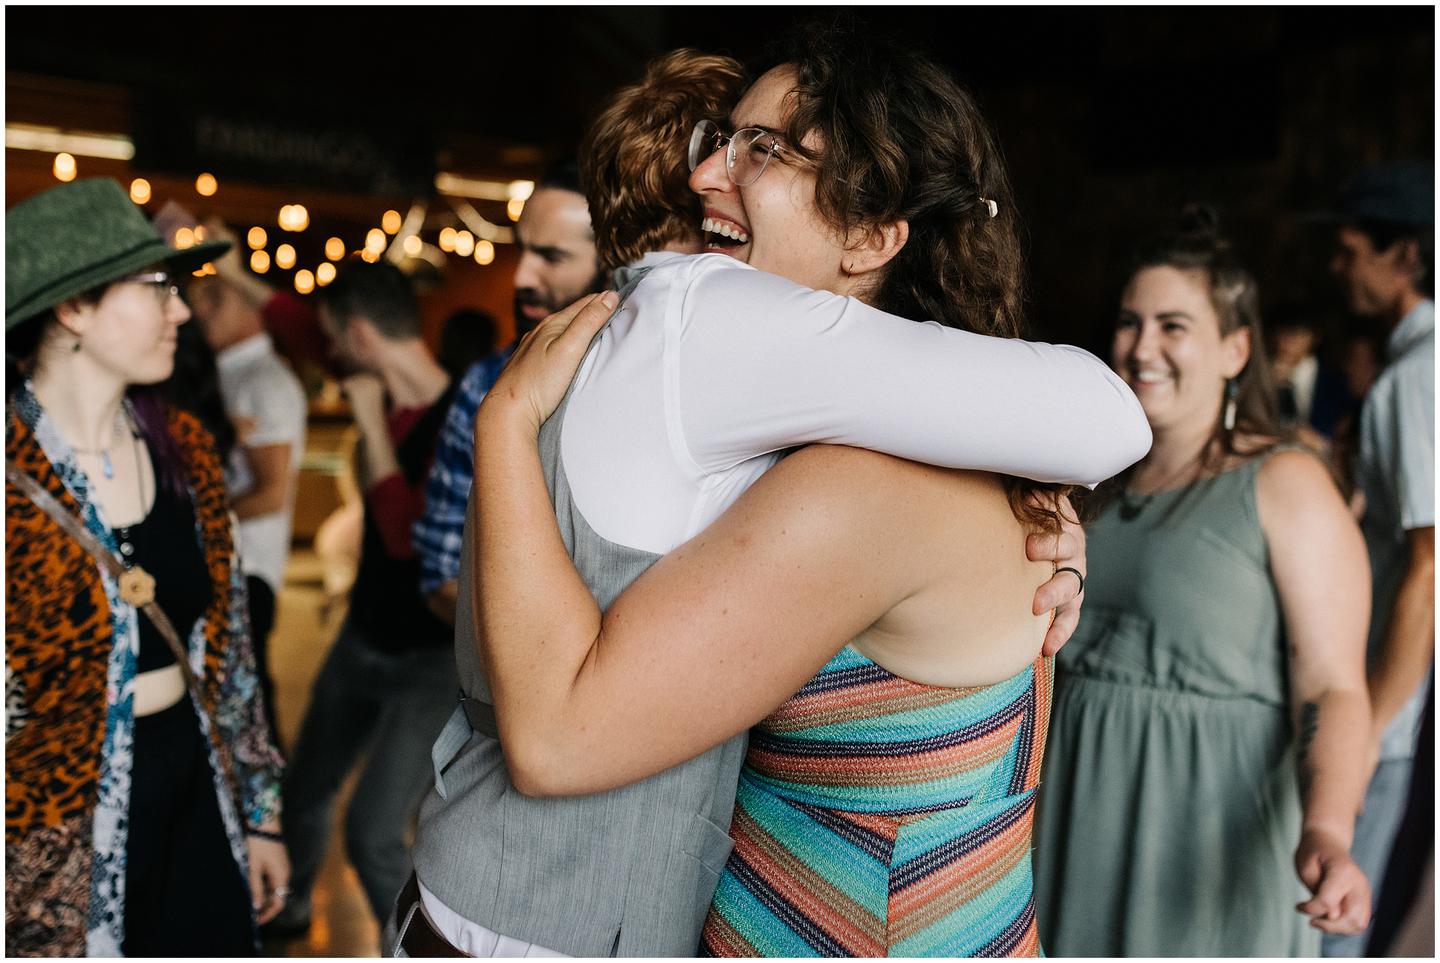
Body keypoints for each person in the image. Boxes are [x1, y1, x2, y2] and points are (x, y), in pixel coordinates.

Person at [400, 33, 1151, 957]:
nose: (708, 173)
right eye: (723, 138)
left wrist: (505, 423)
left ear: (875, 235)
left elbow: (561, 737)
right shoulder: (898, 440)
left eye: (765, 149)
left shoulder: (861, 484)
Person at [1032, 206, 1374, 956]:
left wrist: (1328, 827)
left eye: (1172, 325)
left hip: (1202, 832)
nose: (1141, 346)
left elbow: (1333, 684)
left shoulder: (1285, 482)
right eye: (1129, 321)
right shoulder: (1092, 482)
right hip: (1069, 811)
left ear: (1235, 347)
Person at [4, 178, 288, 956]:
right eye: (158, 288)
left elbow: (229, 653)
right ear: (72, 309)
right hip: (53, 836)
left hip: (194, 785)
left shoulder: (185, 449)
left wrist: (261, 811)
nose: (182, 310)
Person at [270, 260, 459, 935]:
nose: (329, 357)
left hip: (432, 661)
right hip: (362, 638)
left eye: (336, 340)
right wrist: (232, 269)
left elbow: (410, 541)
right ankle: (289, 905)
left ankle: (413, 951)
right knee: (304, 787)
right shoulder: (376, 379)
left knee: (376, 835)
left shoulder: (461, 414)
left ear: (358, 333)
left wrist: (372, 427)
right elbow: (298, 324)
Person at [1320, 162, 1435, 957]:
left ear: (1409, 258)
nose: (1338, 267)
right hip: (1393, 694)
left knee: (1334, 924)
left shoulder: (1413, 379)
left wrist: (1368, 730)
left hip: (1384, 704)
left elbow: (1430, 569)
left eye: (1352, 249)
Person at [413, 161, 605, 625]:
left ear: (614, 260)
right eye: (522, 251)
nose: (520, 277)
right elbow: (441, 577)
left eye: (551, 256)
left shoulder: (649, 382)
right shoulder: (485, 381)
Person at [188, 229, 309, 747]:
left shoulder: (265, 381)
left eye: (208, 303)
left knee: (250, 707)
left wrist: (192, 519)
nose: (198, 316)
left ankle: (266, 819)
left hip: (248, 570)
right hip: (225, 562)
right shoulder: (230, 375)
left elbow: (270, 494)